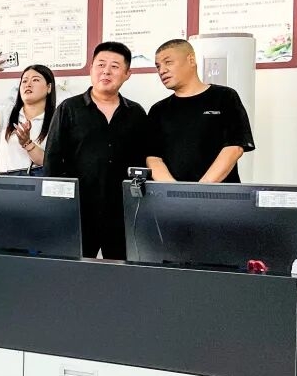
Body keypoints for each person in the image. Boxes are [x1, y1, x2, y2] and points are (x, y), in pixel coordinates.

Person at [43, 42, 149, 260]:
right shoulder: (68, 109)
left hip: (122, 213)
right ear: (91, 69)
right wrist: (56, 209)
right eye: (101, 64)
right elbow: (52, 161)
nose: (106, 71)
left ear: (127, 74)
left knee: (121, 272)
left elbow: (143, 163)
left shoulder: (136, 113)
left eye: (115, 66)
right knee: (71, 271)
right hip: (78, 211)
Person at [146, 39, 255, 183]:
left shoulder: (224, 97)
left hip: (218, 193)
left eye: (168, 62)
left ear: (191, 60)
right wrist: (173, 190)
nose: (162, 70)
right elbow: (153, 157)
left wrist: (199, 190)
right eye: (158, 66)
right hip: (172, 195)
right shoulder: (158, 110)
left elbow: (234, 147)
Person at [0, 54, 56, 175]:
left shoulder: (57, 118)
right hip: (7, 180)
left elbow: (52, 163)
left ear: (49, 87)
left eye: (35, 80)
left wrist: (27, 143)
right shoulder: (8, 113)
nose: (28, 84)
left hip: (40, 179)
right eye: (24, 81)